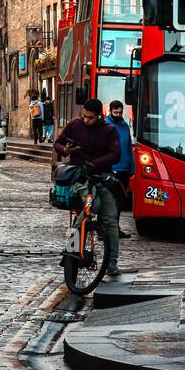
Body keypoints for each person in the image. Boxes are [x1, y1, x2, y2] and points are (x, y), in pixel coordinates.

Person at [54, 98, 122, 277]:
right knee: (94, 206)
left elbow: (116, 154)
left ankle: (112, 263)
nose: (85, 120)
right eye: (83, 116)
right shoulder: (74, 125)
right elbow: (58, 144)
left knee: (110, 220)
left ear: (99, 116)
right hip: (80, 177)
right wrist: (66, 151)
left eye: (90, 118)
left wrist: (95, 164)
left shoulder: (109, 130)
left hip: (102, 177)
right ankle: (72, 248)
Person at [106, 100, 135, 239]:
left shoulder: (124, 125)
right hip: (111, 168)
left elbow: (129, 147)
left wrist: (132, 167)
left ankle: (115, 228)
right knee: (108, 201)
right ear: (110, 111)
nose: (118, 114)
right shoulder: (106, 125)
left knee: (119, 201)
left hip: (124, 167)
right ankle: (105, 229)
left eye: (120, 112)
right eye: (115, 112)